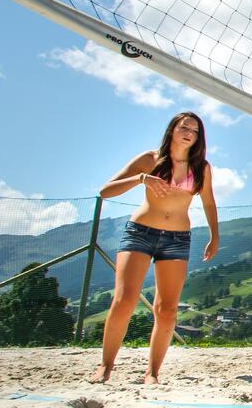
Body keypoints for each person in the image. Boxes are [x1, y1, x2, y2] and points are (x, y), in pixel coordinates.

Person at [90, 112, 219, 384]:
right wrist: (141, 178)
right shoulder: (151, 159)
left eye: (194, 130)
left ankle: (152, 373)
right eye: (184, 126)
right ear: (173, 129)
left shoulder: (201, 167)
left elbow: (208, 202)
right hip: (141, 233)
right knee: (124, 301)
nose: (189, 132)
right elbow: (105, 190)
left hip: (178, 239)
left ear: (198, 138)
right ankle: (105, 366)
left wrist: (214, 236)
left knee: (167, 308)